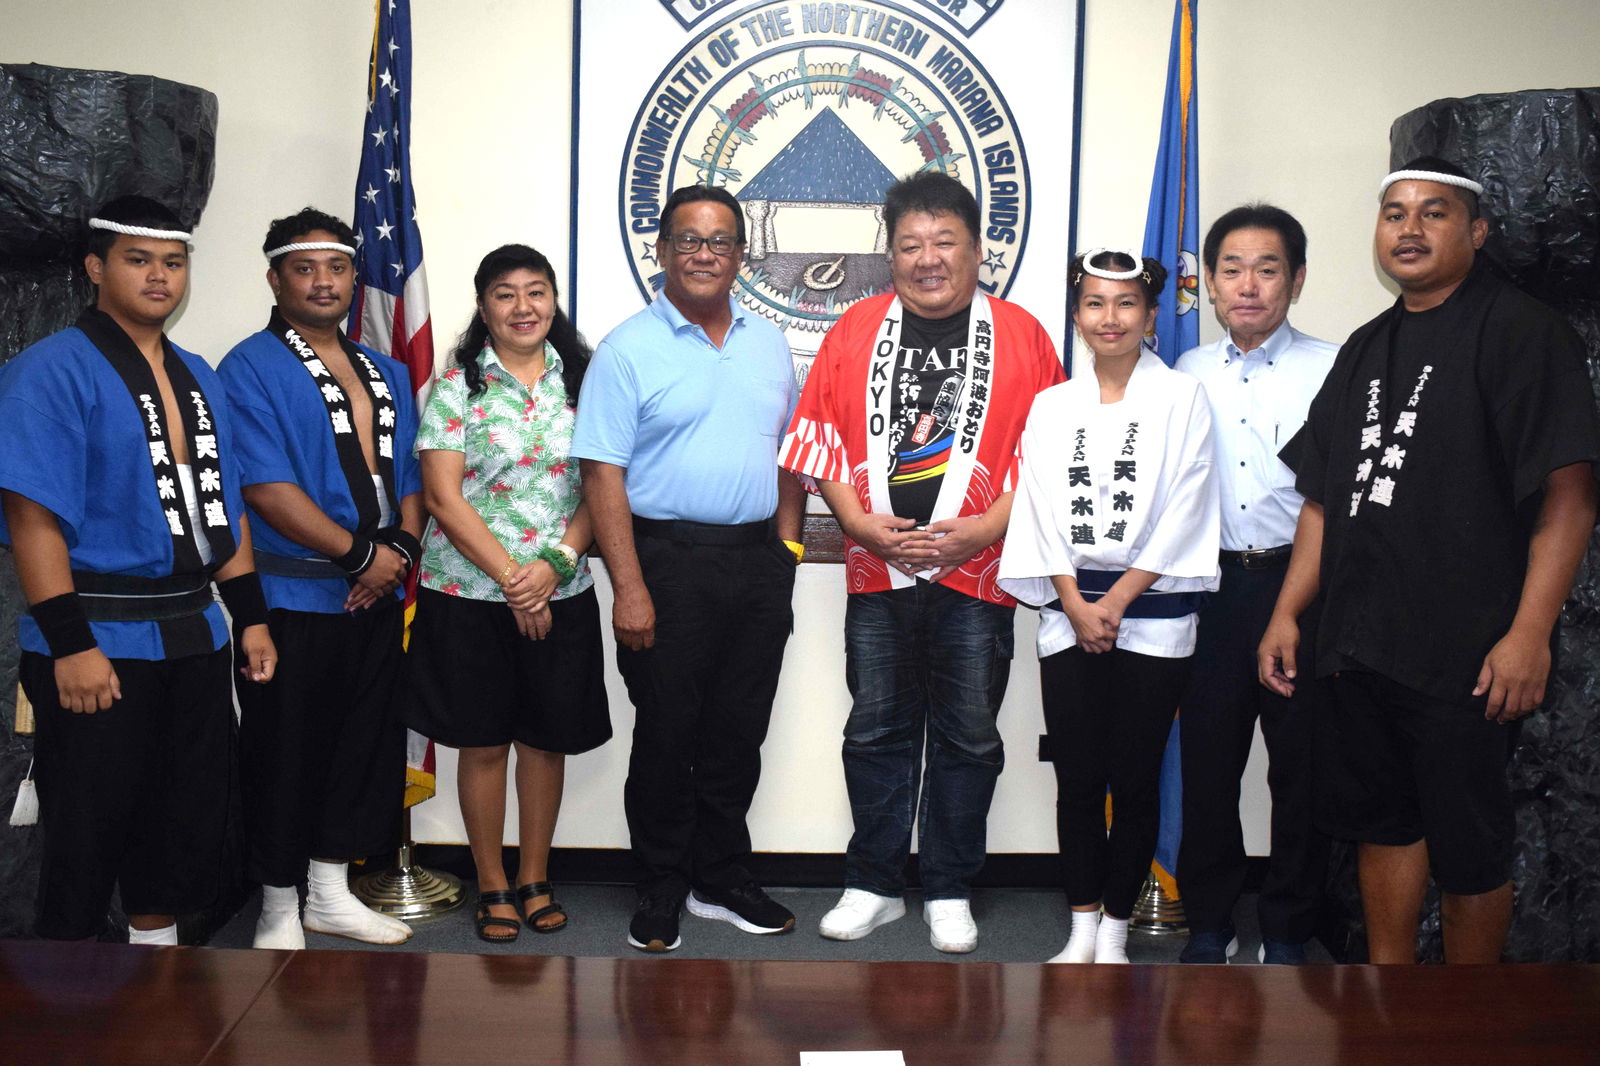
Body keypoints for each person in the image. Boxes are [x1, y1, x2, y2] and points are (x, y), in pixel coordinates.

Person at [1259, 157, 1599, 963]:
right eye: (1395, 214)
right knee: (1383, 828)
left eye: (1433, 213)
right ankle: (1393, 999)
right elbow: (1322, 500)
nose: (1409, 229)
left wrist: (1529, 634)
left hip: (1467, 652)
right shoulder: (1366, 346)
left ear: (1476, 231)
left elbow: (1571, 494)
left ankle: (1466, 1016)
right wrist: (1287, 612)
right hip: (1357, 643)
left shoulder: (1522, 332)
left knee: (1469, 847)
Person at [780, 172, 1063, 954]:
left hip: (979, 571)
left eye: (945, 242)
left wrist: (985, 530)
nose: (928, 258)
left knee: (969, 737)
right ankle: (873, 884)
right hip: (877, 572)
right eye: (910, 244)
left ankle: (947, 887)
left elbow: (1048, 454)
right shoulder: (854, 329)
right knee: (875, 730)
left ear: (977, 251)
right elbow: (819, 436)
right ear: (891, 254)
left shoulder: (1023, 336)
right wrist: (856, 523)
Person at [0, 196, 275, 943]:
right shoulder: (48, 371)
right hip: (97, 636)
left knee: (182, 827)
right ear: (96, 268)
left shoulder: (199, 376)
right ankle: (69, 994)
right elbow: (32, 520)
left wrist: (250, 617)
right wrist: (71, 645)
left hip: (194, 631)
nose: (160, 276)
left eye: (173, 262)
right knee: (87, 834)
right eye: (139, 259)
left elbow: (225, 509)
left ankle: (159, 976)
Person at [573, 185, 803, 954]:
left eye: (720, 240)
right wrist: (630, 587)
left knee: (739, 732)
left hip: (756, 563)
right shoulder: (626, 349)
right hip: (665, 564)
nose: (705, 253)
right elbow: (602, 473)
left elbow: (791, 454)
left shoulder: (768, 343)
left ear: (742, 253)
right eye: (689, 239)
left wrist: (787, 552)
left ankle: (721, 878)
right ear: (663, 250)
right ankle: (663, 883)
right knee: (669, 734)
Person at [999, 248, 1220, 964]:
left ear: (1152, 316)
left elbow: (1190, 502)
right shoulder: (1052, 405)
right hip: (1071, 613)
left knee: (1135, 776)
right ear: (1077, 316)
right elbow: (1036, 505)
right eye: (1095, 303)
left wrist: (1118, 599)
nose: (1110, 317)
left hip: (1152, 615)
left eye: (1126, 303)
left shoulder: (1182, 397)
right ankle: (1081, 926)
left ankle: (1118, 930)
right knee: (1077, 778)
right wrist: (1073, 600)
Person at [217, 207, 425, 949]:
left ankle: (330, 893)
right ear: (275, 279)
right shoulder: (247, 367)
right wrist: (360, 557)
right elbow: (264, 487)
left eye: (336, 267)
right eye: (304, 268)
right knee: (285, 751)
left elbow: (411, 478)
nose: (323, 282)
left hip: (375, 595)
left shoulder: (387, 370)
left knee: (360, 745)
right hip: (291, 596)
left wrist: (396, 552)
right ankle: (278, 904)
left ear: (353, 277)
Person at [407, 244, 611, 943]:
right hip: (467, 595)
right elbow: (442, 497)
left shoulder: (587, 383)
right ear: (483, 306)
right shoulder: (456, 388)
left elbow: (603, 486)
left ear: (553, 300)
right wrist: (513, 581)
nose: (523, 307)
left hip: (562, 587)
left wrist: (554, 563)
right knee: (484, 743)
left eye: (536, 291)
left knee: (546, 743)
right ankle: (491, 882)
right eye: (505, 293)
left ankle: (534, 876)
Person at [1172, 205, 1337, 965]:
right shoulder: (1185, 373)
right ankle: (1209, 920)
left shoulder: (1334, 369)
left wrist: (1298, 602)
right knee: (1209, 764)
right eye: (1232, 269)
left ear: (1296, 280)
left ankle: (1289, 927)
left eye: (1267, 269)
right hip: (1211, 591)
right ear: (1208, 283)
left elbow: (1338, 499)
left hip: (1301, 589)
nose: (1248, 285)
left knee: (1300, 768)